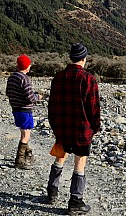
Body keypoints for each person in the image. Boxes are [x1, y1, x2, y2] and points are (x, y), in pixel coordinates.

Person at [46, 43, 101, 215]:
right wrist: (94, 128)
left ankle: (52, 191)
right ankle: (75, 201)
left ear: (71, 58)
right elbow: (94, 109)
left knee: (60, 157)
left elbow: (52, 106)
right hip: (82, 130)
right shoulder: (88, 79)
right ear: (84, 58)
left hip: (62, 128)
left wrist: (55, 127)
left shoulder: (58, 77)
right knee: (80, 164)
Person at [5, 54, 41, 169]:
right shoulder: (24, 79)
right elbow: (30, 97)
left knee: (23, 132)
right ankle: (19, 159)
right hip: (25, 110)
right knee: (26, 134)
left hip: (15, 109)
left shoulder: (12, 77)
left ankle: (28, 153)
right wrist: (37, 97)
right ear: (27, 66)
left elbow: (8, 92)